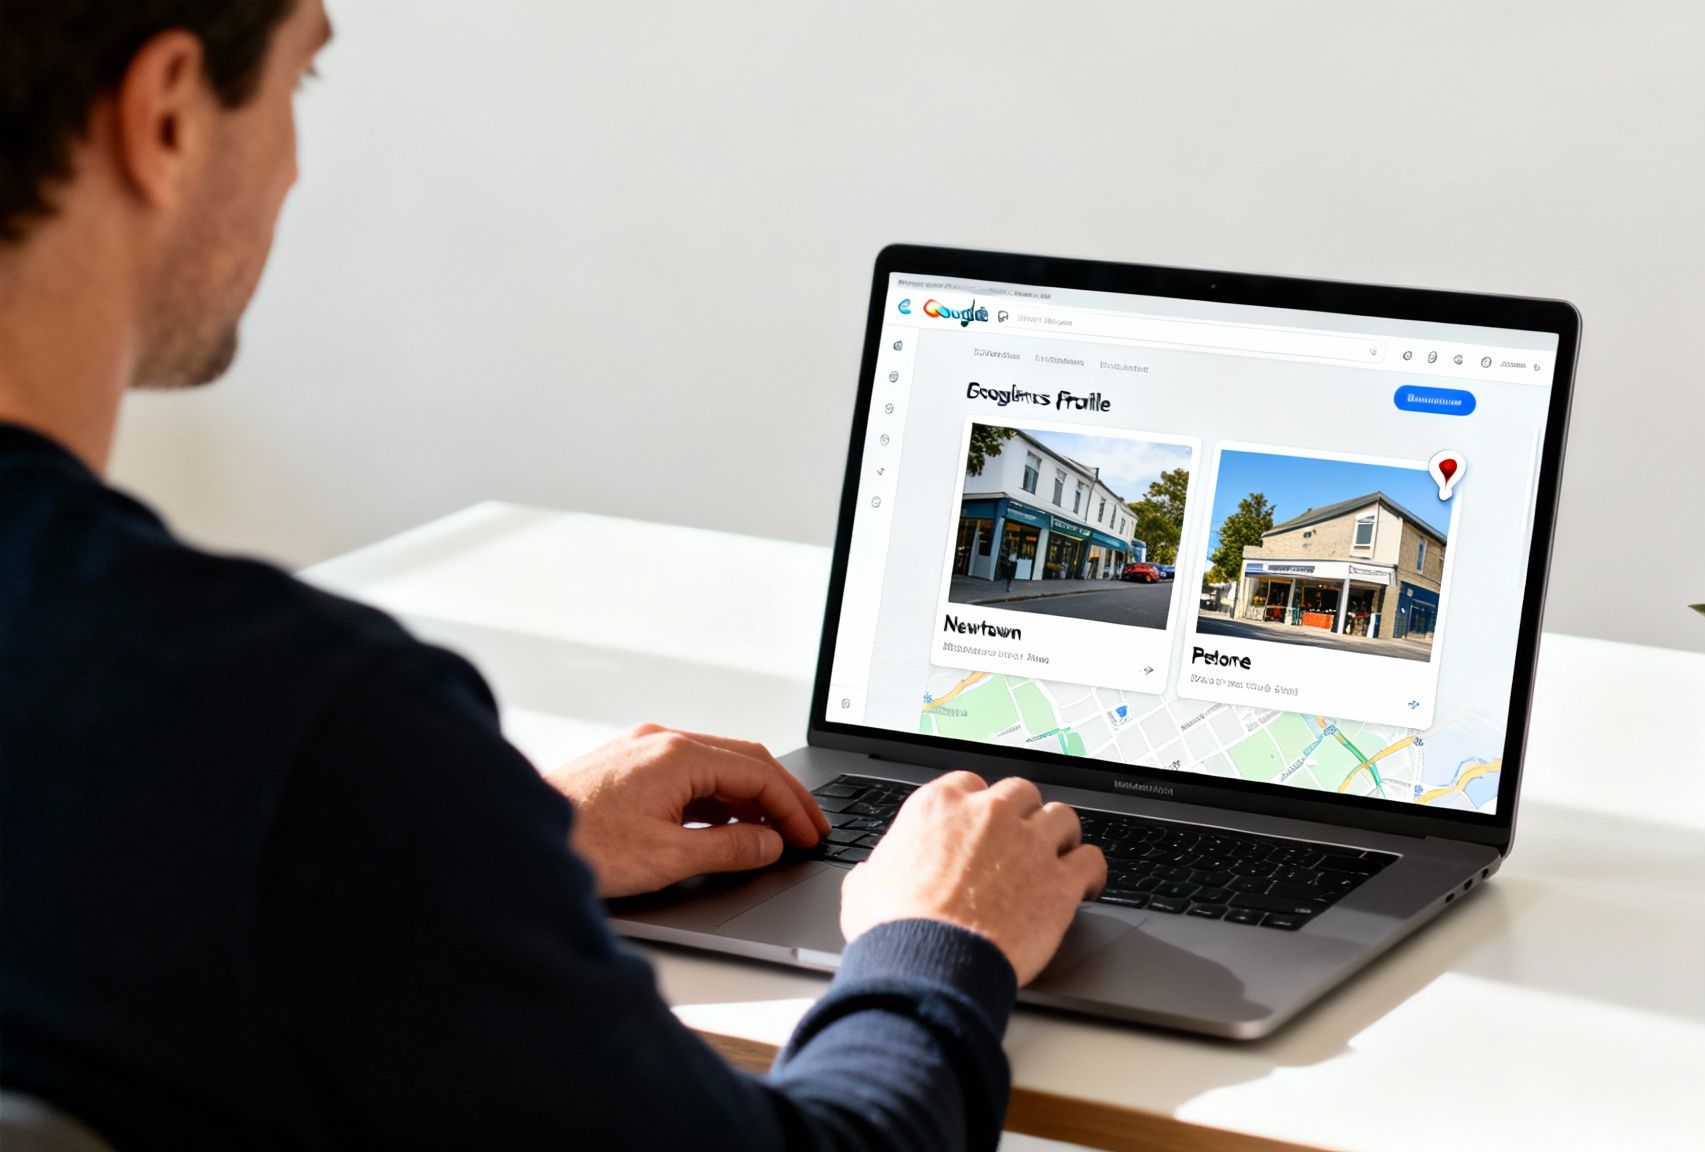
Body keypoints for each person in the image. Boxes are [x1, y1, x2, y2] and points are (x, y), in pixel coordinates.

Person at [0, 2, 1107, 1148]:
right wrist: (939, 937)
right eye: (300, 82)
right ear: (167, 117)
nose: (292, 166)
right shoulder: (298, 732)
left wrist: (474, 844)